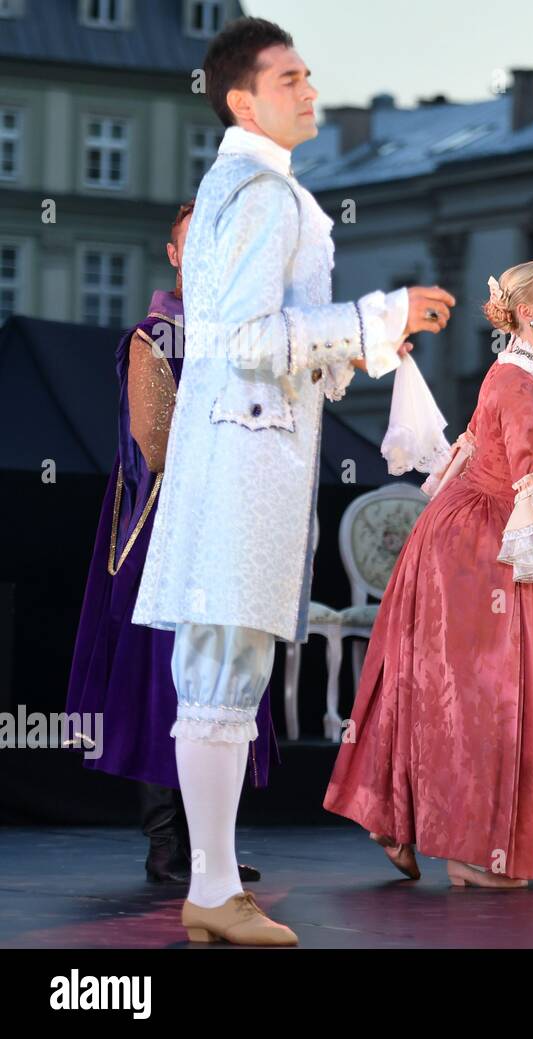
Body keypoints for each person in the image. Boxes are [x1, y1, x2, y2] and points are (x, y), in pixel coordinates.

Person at [133, 16, 451, 945]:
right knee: (221, 670)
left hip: (251, 454)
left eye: (312, 73)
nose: (312, 89)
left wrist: (376, 334)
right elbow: (238, 340)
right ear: (243, 99)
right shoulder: (260, 193)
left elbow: (274, 338)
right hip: (242, 459)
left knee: (227, 671)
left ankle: (214, 885)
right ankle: (211, 887)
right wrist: (373, 317)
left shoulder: (261, 188)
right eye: (292, 77)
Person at [325, 260, 533, 888]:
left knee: (461, 687)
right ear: (529, 313)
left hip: (489, 540)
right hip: (478, 547)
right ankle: (469, 852)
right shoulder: (515, 381)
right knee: (481, 693)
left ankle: (400, 821)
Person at [66, 201, 272, 885]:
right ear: (176, 255)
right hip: (169, 532)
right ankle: (165, 843)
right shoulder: (155, 337)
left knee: (225, 685)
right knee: (169, 681)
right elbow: (155, 447)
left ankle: (209, 843)